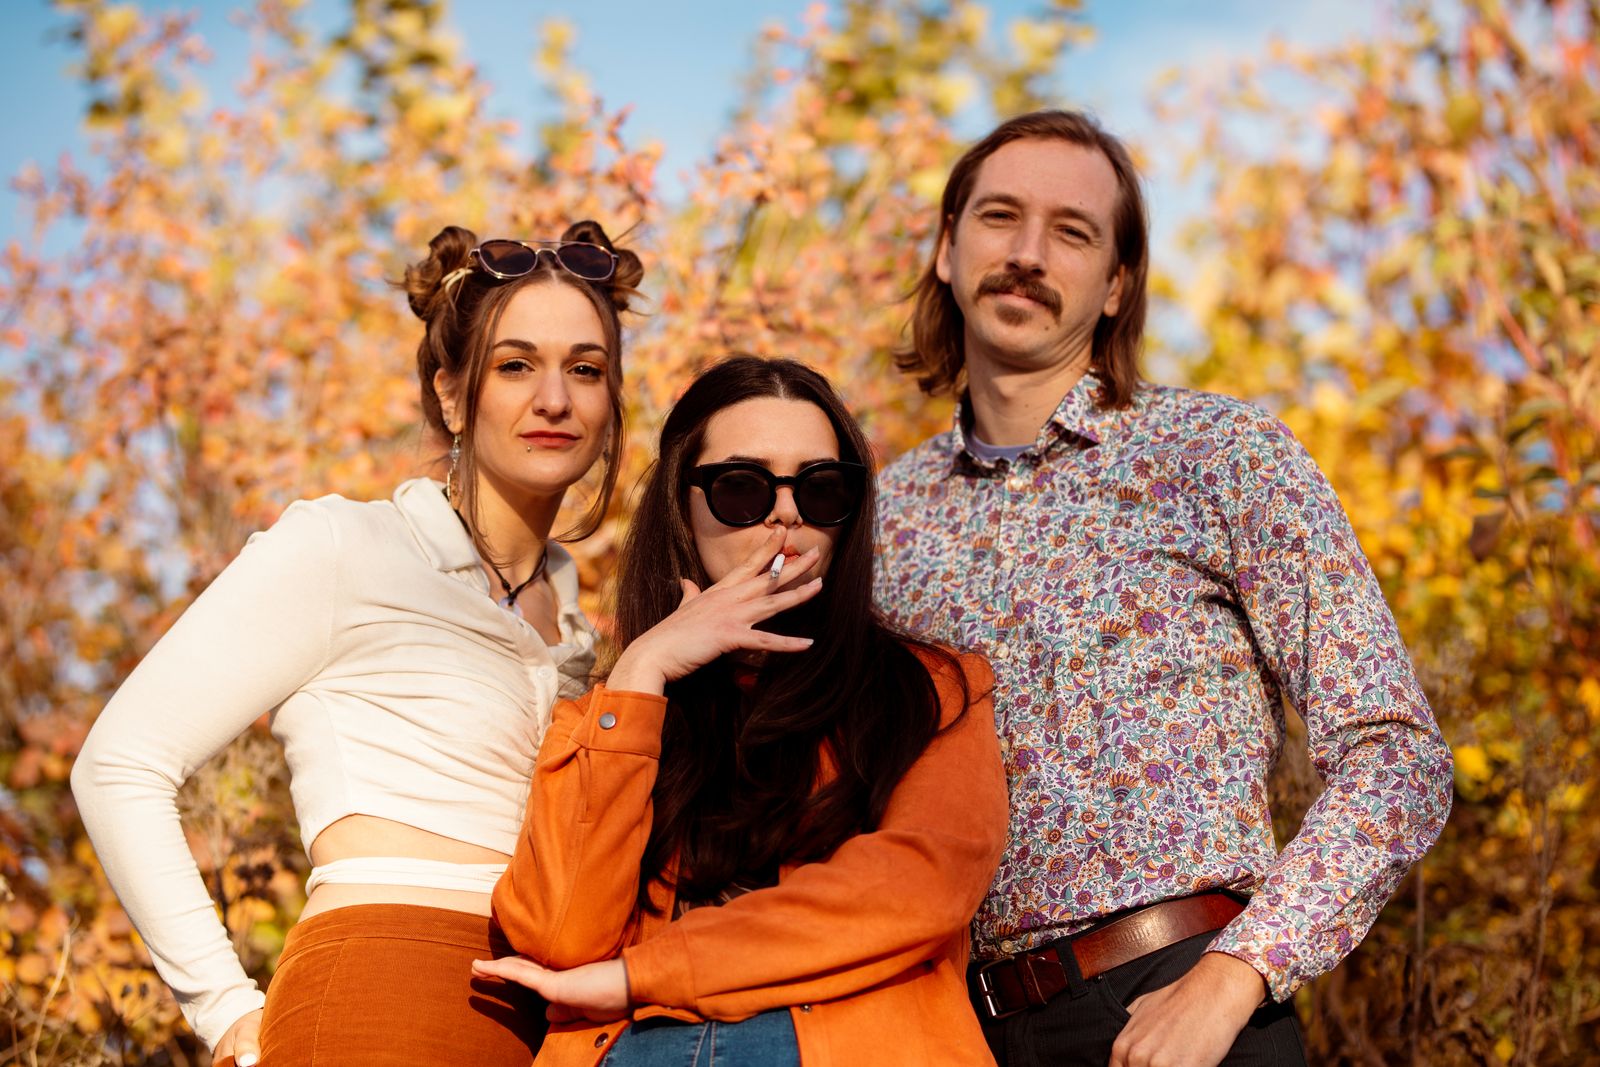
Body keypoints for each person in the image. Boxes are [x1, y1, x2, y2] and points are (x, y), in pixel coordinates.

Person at [874, 110, 1454, 1067]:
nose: (1027, 254)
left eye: (1072, 231)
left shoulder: (1219, 453)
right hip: (953, 1031)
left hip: (1180, 997)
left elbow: (1396, 757)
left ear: (1116, 285)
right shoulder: (885, 517)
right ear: (946, 248)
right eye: (1000, 216)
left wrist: (1238, 971)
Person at [71, 221, 643, 1066]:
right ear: (451, 394)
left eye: (585, 369)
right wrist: (225, 1010)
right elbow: (118, 764)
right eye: (515, 365)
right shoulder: (346, 546)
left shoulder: (573, 620)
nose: (555, 399)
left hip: (545, 1026)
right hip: (379, 996)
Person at [471, 356, 1010, 1066]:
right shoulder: (611, 714)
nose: (786, 513)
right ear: (682, 507)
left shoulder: (931, 689)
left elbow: (918, 885)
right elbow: (559, 931)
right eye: (742, 487)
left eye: (821, 487)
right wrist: (643, 670)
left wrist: (643, 975)